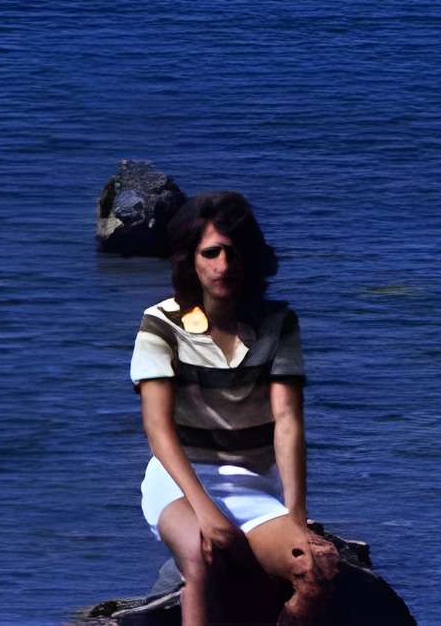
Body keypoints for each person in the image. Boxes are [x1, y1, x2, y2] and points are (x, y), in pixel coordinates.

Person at [132, 191, 345, 626]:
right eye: (210, 253)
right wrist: (207, 513)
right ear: (189, 258)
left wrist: (297, 515)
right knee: (202, 557)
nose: (223, 266)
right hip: (180, 483)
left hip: (254, 486)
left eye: (233, 253)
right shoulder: (160, 323)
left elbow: (287, 421)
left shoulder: (277, 324)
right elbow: (158, 429)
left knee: (316, 569)